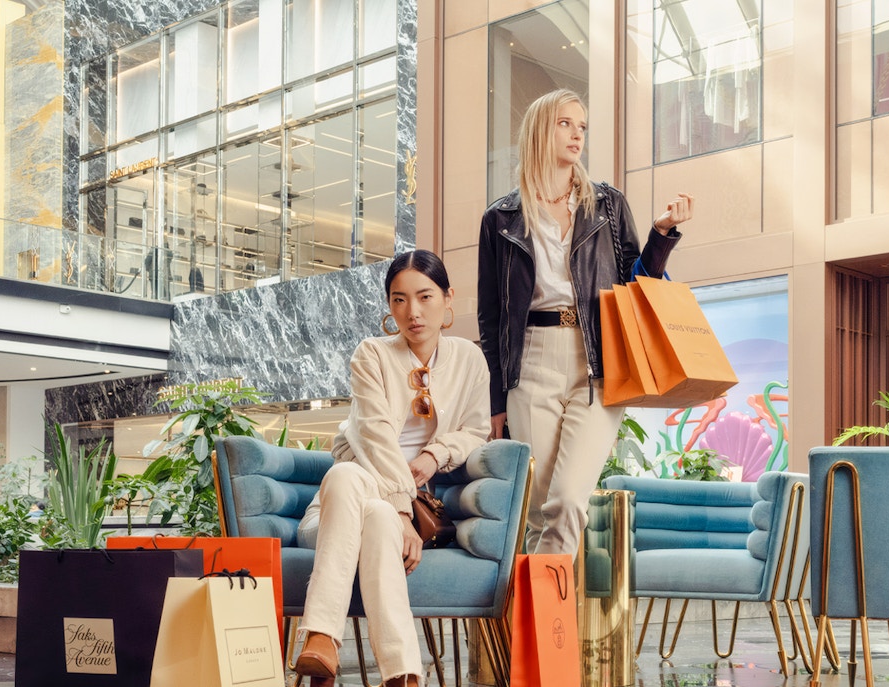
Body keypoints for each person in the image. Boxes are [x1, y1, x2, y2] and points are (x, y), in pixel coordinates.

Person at [477, 88, 694, 556]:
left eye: (582, 127)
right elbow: (491, 321)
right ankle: (546, 624)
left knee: (570, 500)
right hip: (530, 362)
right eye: (566, 124)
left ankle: (546, 626)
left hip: (597, 359)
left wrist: (660, 236)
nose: (577, 135)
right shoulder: (500, 217)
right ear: (540, 128)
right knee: (538, 511)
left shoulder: (607, 206)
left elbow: (640, 281)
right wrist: (496, 401)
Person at [293, 250, 491, 687]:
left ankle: (323, 640)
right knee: (347, 476)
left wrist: (433, 456)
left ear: (447, 297)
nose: (413, 312)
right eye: (399, 300)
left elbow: (477, 430)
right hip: (330, 515)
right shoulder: (372, 355)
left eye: (424, 296)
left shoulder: (469, 359)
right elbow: (375, 436)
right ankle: (401, 673)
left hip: (402, 508)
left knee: (376, 511)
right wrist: (401, 510)